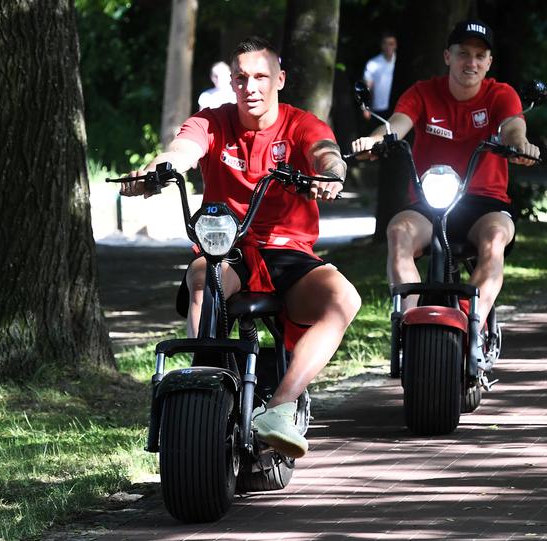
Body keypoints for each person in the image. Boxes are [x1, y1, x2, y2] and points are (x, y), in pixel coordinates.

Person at [121, 37, 361, 458]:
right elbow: (181, 150)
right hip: (227, 246)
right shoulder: (211, 122)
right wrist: (159, 172)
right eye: (241, 78)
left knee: (344, 298)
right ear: (231, 82)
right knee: (202, 277)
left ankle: (281, 407)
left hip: (289, 251)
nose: (250, 87)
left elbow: (327, 153)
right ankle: (205, 387)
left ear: (280, 80)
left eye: (261, 77)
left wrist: (331, 175)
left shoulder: (301, 124)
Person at [351, 19, 540, 360]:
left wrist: (520, 145)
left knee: (496, 236)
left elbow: (513, 127)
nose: (472, 62)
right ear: (447, 56)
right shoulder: (423, 92)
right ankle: (409, 325)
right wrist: (376, 141)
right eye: (463, 53)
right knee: (398, 232)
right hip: (430, 201)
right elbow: (397, 125)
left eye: (480, 56)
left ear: (489, 62)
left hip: (485, 202)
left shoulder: (501, 94)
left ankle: (472, 323)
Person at [362, 32, 397, 120]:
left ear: (395, 46)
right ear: (381, 45)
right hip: (377, 109)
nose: (388, 46)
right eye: (385, 43)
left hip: (397, 107)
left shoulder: (399, 62)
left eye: (391, 44)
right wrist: (366, 107)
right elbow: (367, 86)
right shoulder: (372, 64)